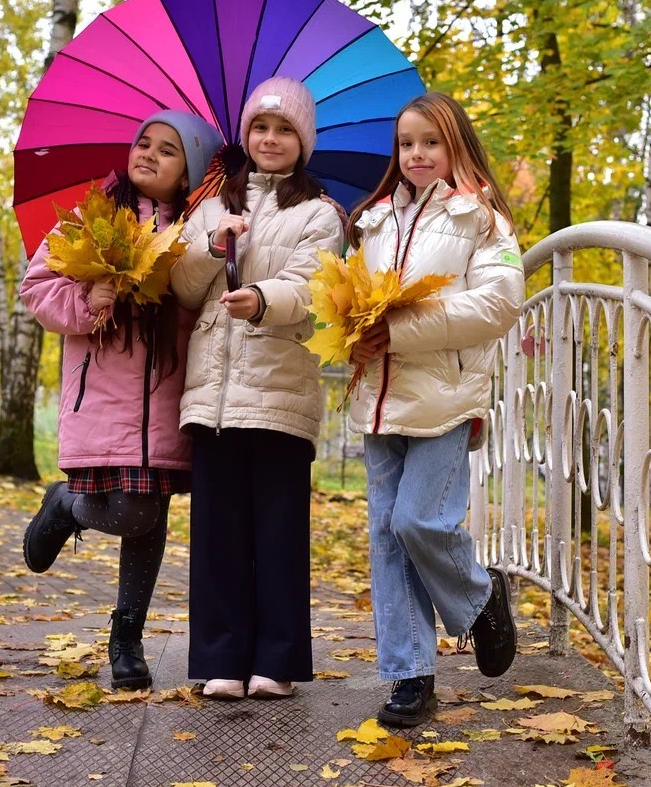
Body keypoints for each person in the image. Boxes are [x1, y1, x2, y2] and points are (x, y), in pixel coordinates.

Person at [20, 110, 223, 691]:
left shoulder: (190, 233)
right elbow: (38, 288)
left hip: (163, 399)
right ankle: (65, 506)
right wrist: (89, 297)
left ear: (188, 175)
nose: (149, 155)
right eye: (144, 143)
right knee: (127, 512)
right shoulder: (91, 219)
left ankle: (126, 637)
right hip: (100, 398)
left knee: (146, 515)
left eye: (168, 150)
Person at [346, 91, 525, 727]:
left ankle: (481, 597)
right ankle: (410, 677)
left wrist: (399, 331)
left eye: (430, 142)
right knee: (387, 541)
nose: (416, 154)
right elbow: (351, 300)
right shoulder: (371, 222)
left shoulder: (483, 221)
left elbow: (496, 307)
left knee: (421, 523)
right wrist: (355, 331)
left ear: (456, 144)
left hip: (447, 399)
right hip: (378, 400)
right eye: (406, 143)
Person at [170, 76, 343, 701]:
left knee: (277, 530)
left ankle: (278, 659)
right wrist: (214, 251)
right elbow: (185, 289)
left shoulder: (320, 215)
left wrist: (264, 298)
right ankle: (219, 657)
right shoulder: (211, 208)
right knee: (217, 531)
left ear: (304, 142)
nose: (271, 139)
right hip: (211, 392)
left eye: (285, 130)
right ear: (245, 137)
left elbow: (313, 291)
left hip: (280, 391)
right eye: (261, 129)